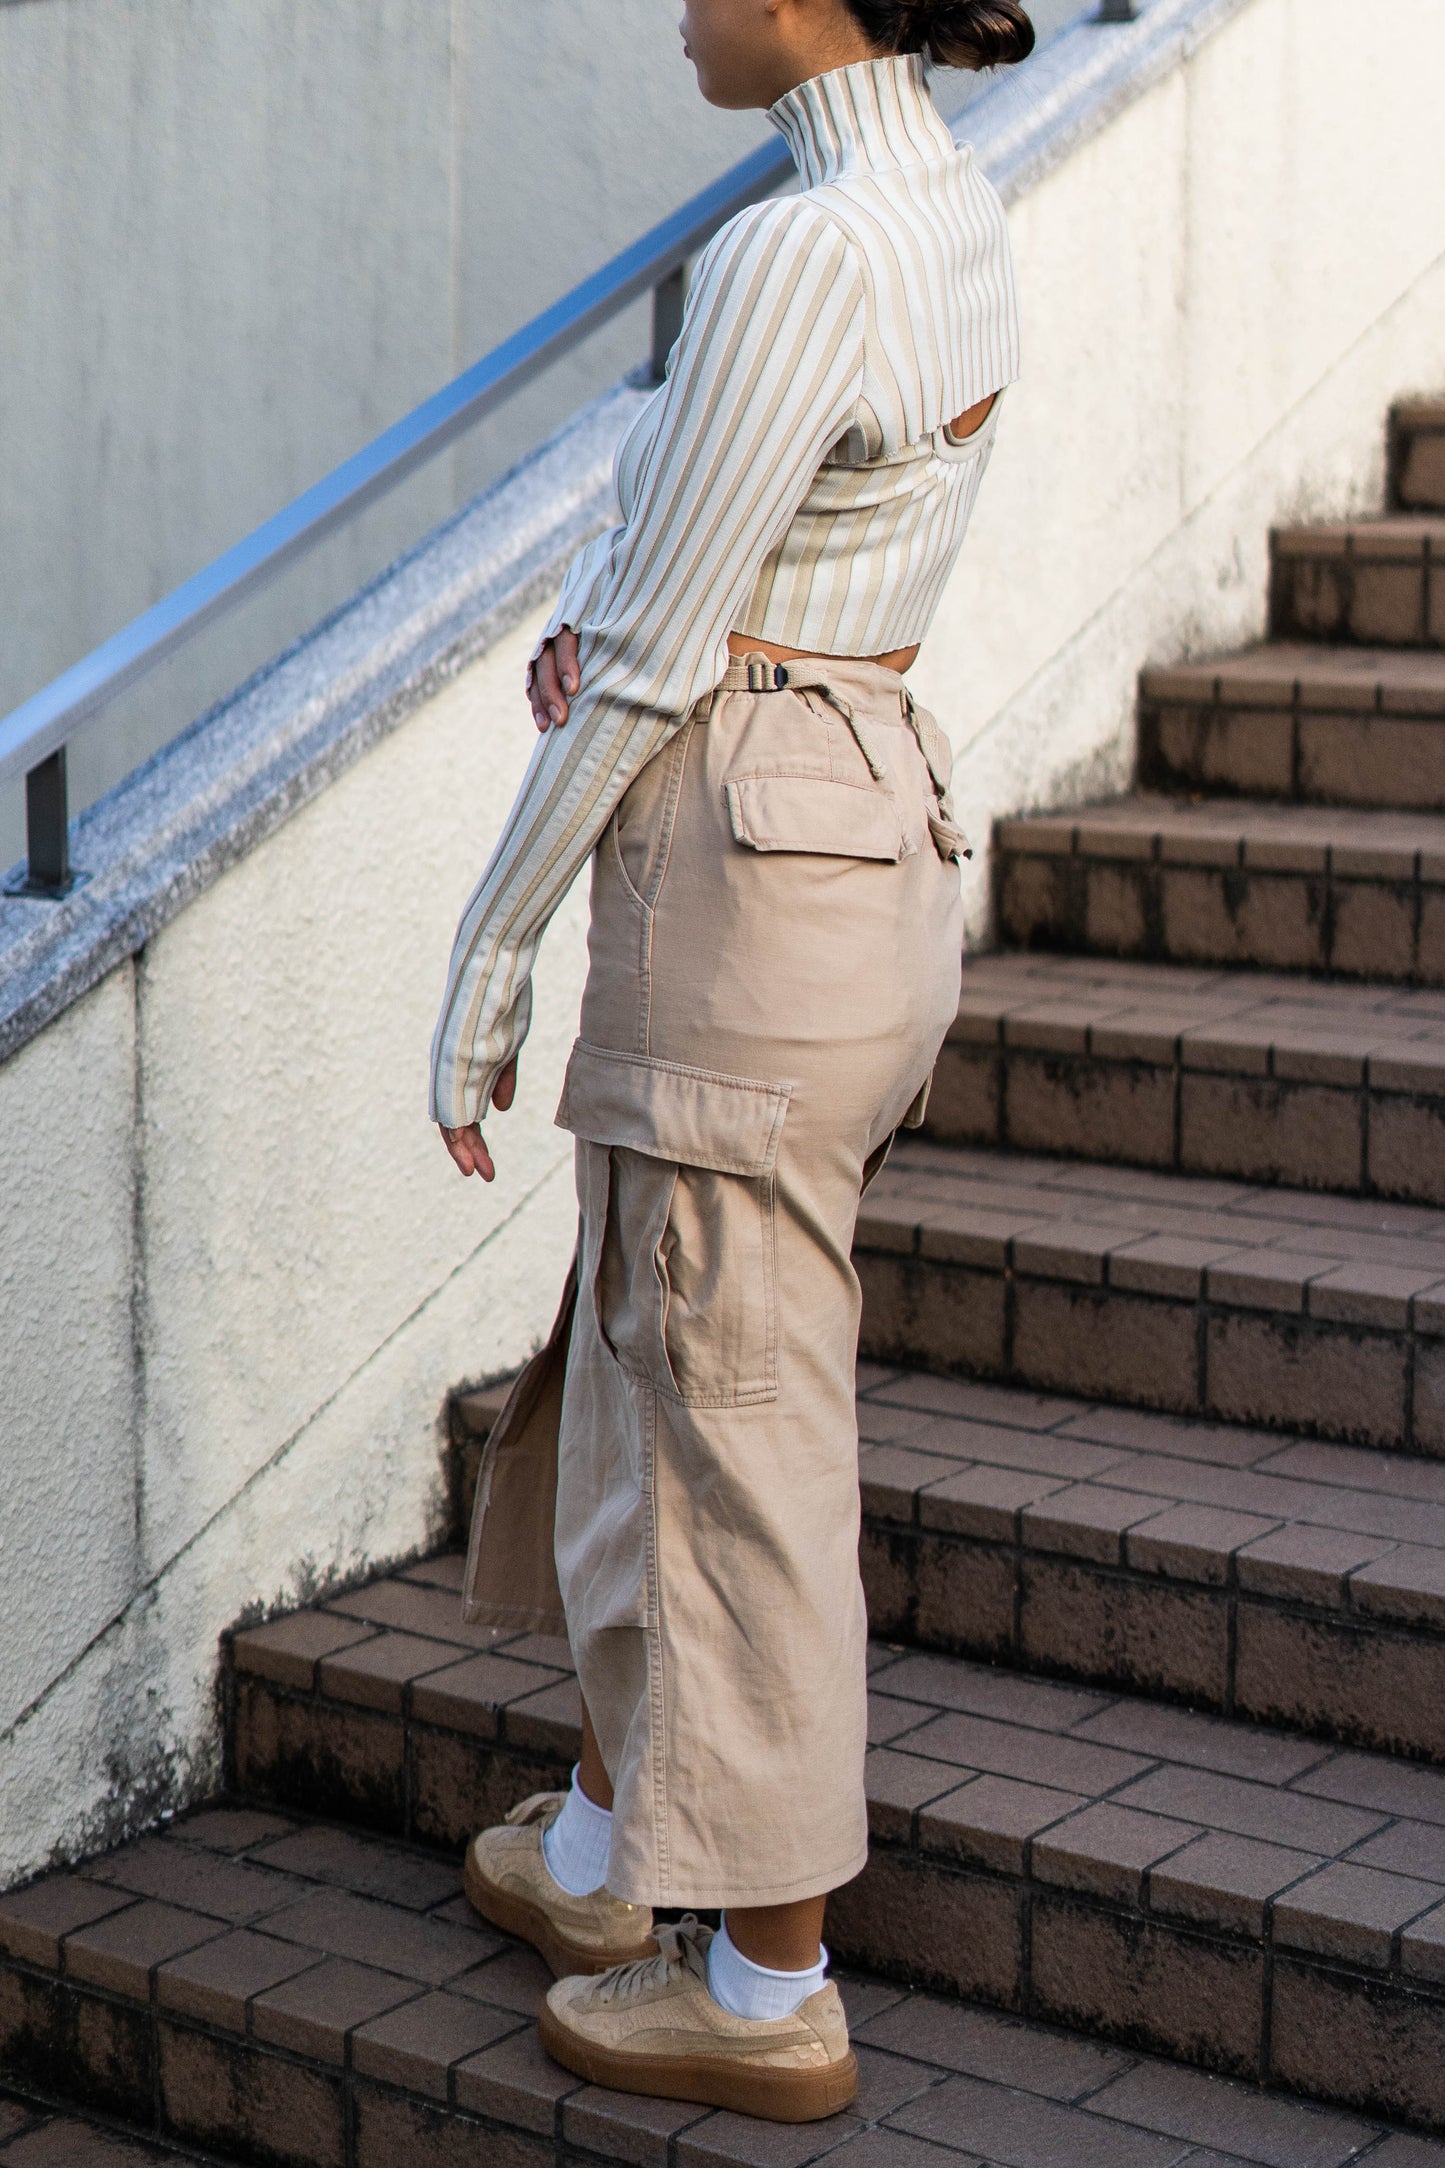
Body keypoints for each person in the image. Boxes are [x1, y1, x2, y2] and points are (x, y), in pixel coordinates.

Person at [430, 0, 1031, 2125]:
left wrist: (486, 947)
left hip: (743, 875)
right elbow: (761, 556)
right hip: (849, 834)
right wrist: (623, 602)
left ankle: (771, 1985)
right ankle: (610, 1850)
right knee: (656, 1351)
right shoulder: (938, 201)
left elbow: (669, 654)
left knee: (733, 1410)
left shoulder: (803, 249)